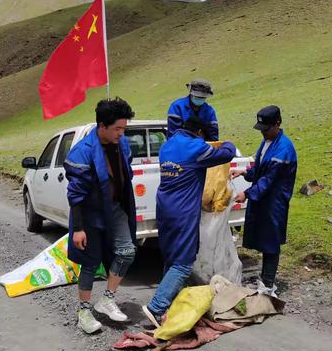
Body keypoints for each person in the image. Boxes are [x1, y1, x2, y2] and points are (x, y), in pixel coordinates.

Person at [142, 116, 236, 326]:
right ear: (200, 133)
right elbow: (225, 154)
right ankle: (156, 307)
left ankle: (169, 304)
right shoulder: (195, 148)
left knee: (171, 257)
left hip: (164, 208)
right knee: (184, 263)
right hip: (183, 211)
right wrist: (228, 143)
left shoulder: (167, 146)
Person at [64, 98, 137, 334]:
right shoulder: (82, 152)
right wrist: (78, 228)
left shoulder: (122, 144)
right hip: (90, 215)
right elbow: (75, 195)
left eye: (123, 128)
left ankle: (106, 299)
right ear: (102, 126)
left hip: (116, 210)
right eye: (117, 128)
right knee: (90, 262)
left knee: (127, 252)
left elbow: (126, 170)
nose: (121, 133)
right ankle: (84, 312)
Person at [232, 105, 297, 297]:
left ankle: (268, 285)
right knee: (262, 238)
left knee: (271, 242)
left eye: (266, 129)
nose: (263, 133)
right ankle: (264, 280)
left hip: (274, 202)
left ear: (277, 124)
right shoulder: (267, 142)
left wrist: (247, 193)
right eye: (261, 130)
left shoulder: (284, 148)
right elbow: (259, 169)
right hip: (263, 199)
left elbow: (269, 179)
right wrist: (244, 172)